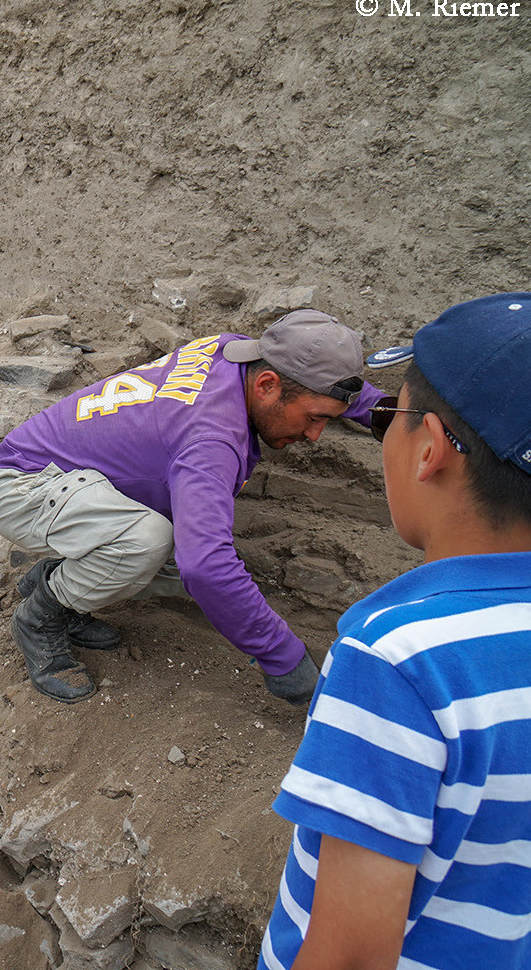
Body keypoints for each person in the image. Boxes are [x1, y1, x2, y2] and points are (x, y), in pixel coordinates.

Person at [259, 292, 531, 969]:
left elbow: (349, 958)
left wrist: (285, 659)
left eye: (392, 415)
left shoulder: (400, 658)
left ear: (429, 450)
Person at [0, 309, 386, 705]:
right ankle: (39, 618)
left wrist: (386, 413)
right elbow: (207, 567)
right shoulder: (211, 440)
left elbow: (324, 386)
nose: (316, 435)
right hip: (23, 484)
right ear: (267, 386)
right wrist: (284, 658)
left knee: (177, 563)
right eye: (315, 418)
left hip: (72, 479)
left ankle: (57, 580)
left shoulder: (231, 351)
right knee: (153, 547)